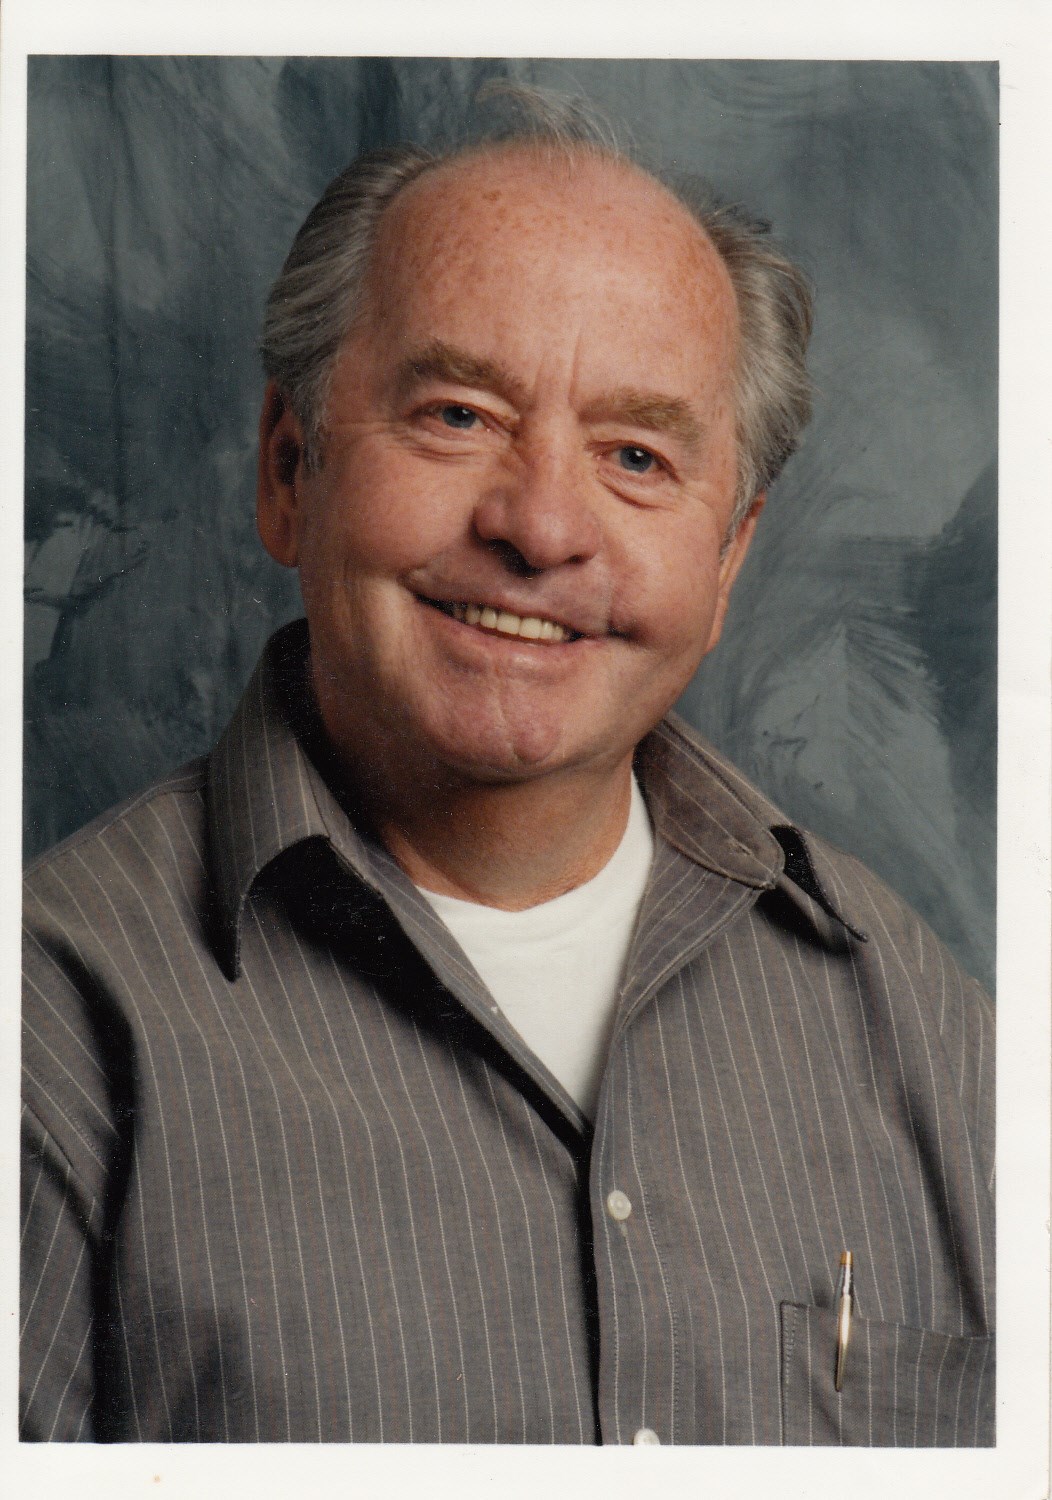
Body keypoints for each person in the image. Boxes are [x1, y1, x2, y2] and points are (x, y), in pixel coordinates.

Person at [21, 93, 994, 1446]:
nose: (540, 527)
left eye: (636, 456)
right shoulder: (51, 1032)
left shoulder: (926, 1027)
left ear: (727, 559)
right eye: (459, 415)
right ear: (290, 470)